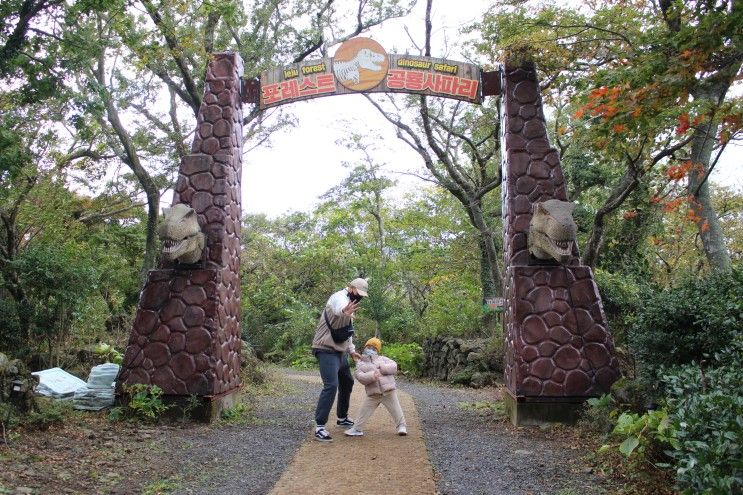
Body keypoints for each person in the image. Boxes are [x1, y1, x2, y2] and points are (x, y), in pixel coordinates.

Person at [311, 278, 367, 442]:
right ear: (351, 288)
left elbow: (347, 332)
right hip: (326, 348)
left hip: (339, 351)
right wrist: (344, 311)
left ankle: (342, 417)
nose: (359, 297)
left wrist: (352, 351)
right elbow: (337, 309)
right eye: (358, 293)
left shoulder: (350, 305)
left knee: (347, 381)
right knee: (331, 385)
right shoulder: (339, 298)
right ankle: (320, 427)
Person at [345, 337, 407, 437]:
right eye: (368, 347)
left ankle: (401, 426)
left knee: (396, 409)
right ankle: (357, 428)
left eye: (374, 349)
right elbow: (360, 376)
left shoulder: (383, 359)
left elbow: (394, 366)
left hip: (388, 391)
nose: (371, 350)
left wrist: (383, 368)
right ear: (365, 348)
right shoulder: (360, 363)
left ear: (378, 351)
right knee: (364, 411)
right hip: (373, 394)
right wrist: (371, 376)